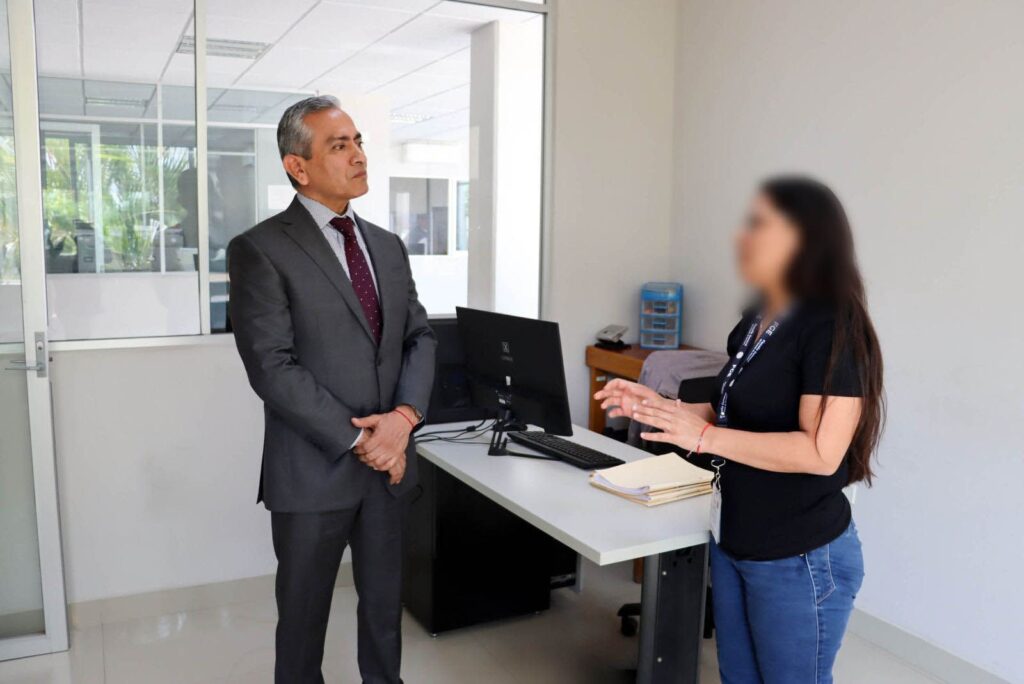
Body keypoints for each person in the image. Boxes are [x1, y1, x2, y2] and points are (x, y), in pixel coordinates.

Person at [595, 176, 884, 683]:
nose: (741, 236)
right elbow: (729, 411)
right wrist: (660, 407)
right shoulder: (759, 315)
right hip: (735, 537)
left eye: (758, 225)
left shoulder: (832, 322)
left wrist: (702, 439)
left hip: (798, 553)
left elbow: (821, 453)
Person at [227, 95, 436, 684]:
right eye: (339, 146)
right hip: (313, 471)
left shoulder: (387, 246)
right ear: (298, 166)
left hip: (390, 469)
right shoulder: (260, 248)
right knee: (302, 624)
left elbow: (419, 337)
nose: (359, 156)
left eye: (359, 142)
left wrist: (403, 418)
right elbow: (272, 367)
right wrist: (366, 441)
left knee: (384, 615)